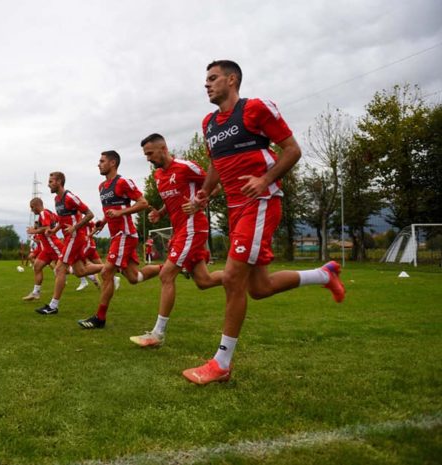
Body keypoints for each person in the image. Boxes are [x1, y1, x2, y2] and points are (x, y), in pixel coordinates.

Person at [181, 60, 345, 385]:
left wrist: (264, 179)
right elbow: (215, 163)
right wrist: (204, 194)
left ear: (232, 79)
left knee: (232, 278)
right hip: (235, 208)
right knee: (259, 288)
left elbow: (292, 150)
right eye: (206, 80)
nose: (207, 84)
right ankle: (324, 274)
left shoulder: (255, 108)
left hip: (261, 202)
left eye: (213, 78)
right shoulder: (208, 123)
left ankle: (221, 363)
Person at [129, 135, 223, 345]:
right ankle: (238, 276)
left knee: (166, 274)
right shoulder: (158, 175)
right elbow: (172, 199)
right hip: (180, 230)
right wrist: (160, 213)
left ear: (163, 148)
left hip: (193, 228)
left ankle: (158, 334)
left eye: (150, 154)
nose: (148, 159)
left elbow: (215, 185)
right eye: (145, 155)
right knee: (204, 281)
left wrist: (200, 203)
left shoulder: (186, 167)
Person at [77, 150, 162, 329]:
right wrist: (102, 222)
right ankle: (168, 267)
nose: (98, 164)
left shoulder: (123, 182)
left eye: (102, 161)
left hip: (125, 234)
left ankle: (100, 318)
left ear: (113, 163)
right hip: (117, 235)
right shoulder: (102, 187)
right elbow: (111, 210)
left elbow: (143, 203)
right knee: (134, 277)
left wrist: (120, 213)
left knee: (106, 273)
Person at [35, 172, 104, 315]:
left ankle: (53, 306)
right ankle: (111, 267)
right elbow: (61, 220)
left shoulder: (69, 197)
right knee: (80, 272)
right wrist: (54, 230)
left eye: (51, 181)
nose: (48, 184)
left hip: (75, 237)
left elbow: (89, 214)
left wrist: (75, 227)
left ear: (59, 182)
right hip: (69, 238)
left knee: (60, 269)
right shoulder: (57, 199)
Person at [23, 198, 63, 301]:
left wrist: (34, 231)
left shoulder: (43, 213)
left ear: (37, 205)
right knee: (37, 266)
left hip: (54, 246)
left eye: (32, 207)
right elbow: (59, 220)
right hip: (47, 249)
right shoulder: (50, 213)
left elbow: (46, 227)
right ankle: (36, 293)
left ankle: (93, 275)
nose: (32, 210)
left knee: (75, 270)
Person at [75, 221, 103, 291]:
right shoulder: (80, 219)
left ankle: (86, 280)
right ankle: (114, 278)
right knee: (99, 265)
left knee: (76, 261)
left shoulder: (86, 220)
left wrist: (88, 236)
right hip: (88, 244)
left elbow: (95, 227)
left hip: (87, 244)